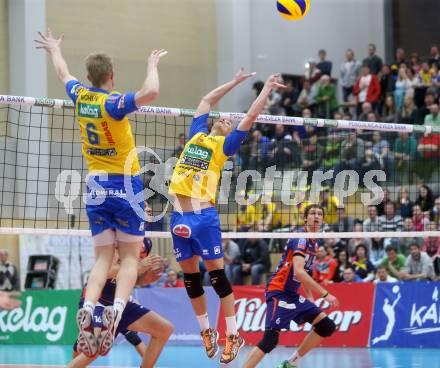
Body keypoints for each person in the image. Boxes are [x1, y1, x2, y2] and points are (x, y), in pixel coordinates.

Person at [35, 29, 167, 357]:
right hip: (124, 183)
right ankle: (116, 310)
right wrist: (152, 64)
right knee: (131, 258)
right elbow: (151, 92)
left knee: (102, 259)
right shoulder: (114, 102)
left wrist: (53, 49)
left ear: (88, 77)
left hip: (94, 185)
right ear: (111, 75)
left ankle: (90, 308)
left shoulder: (80, 94)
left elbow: (63, 73)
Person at [168, 70, 285, 364]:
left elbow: (251, 116)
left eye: (229, 121)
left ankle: (233, 335)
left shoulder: (225, 146)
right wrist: (235, 83)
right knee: (191, 279)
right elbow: (207, 99)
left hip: (204, 217)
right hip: (179, 216)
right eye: (222, 118)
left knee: (218, 277)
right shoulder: (197, 133)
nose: (224, 119)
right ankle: (206, 331)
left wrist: (266, 90)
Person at [243, 205, 339, 368]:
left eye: (320, 214)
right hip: (278, 292)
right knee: (270, 340)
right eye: (312, 213)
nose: (316, 216)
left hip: (292, 295)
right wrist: (325, 295)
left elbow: (304, 272)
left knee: (326, 326)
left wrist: (309, 295)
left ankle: (291, 363)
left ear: (322, 219)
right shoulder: (300, 238)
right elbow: (300, 273)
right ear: (305, 218)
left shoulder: (314, 243)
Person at [68, 246, 173, 368]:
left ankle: (92, 336)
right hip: (98, 301)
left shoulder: (143, 246)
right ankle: (90, 336)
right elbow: (106, 272)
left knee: (164, 329)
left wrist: (145, 280)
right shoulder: (116, 244)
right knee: (93, 349)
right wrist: (137, 267)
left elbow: (127, 279)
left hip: (119, 302)